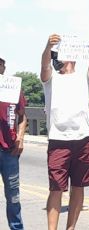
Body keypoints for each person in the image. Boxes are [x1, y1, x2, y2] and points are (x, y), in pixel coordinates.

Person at [41, 34, 89, 230]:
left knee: (78, 186)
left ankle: (70, 227)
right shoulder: (50, 79)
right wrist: (48, 46)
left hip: (84, 138)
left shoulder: (84, 77)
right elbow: (44, 65)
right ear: (59, 57)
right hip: (58, 139)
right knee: (56, 188)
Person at [0, 57, 27, 230]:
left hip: (9, 149)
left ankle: (16, 227)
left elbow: (22, 116)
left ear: (3, 67)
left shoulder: (13, 88)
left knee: (13, 195)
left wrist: (21, 137)